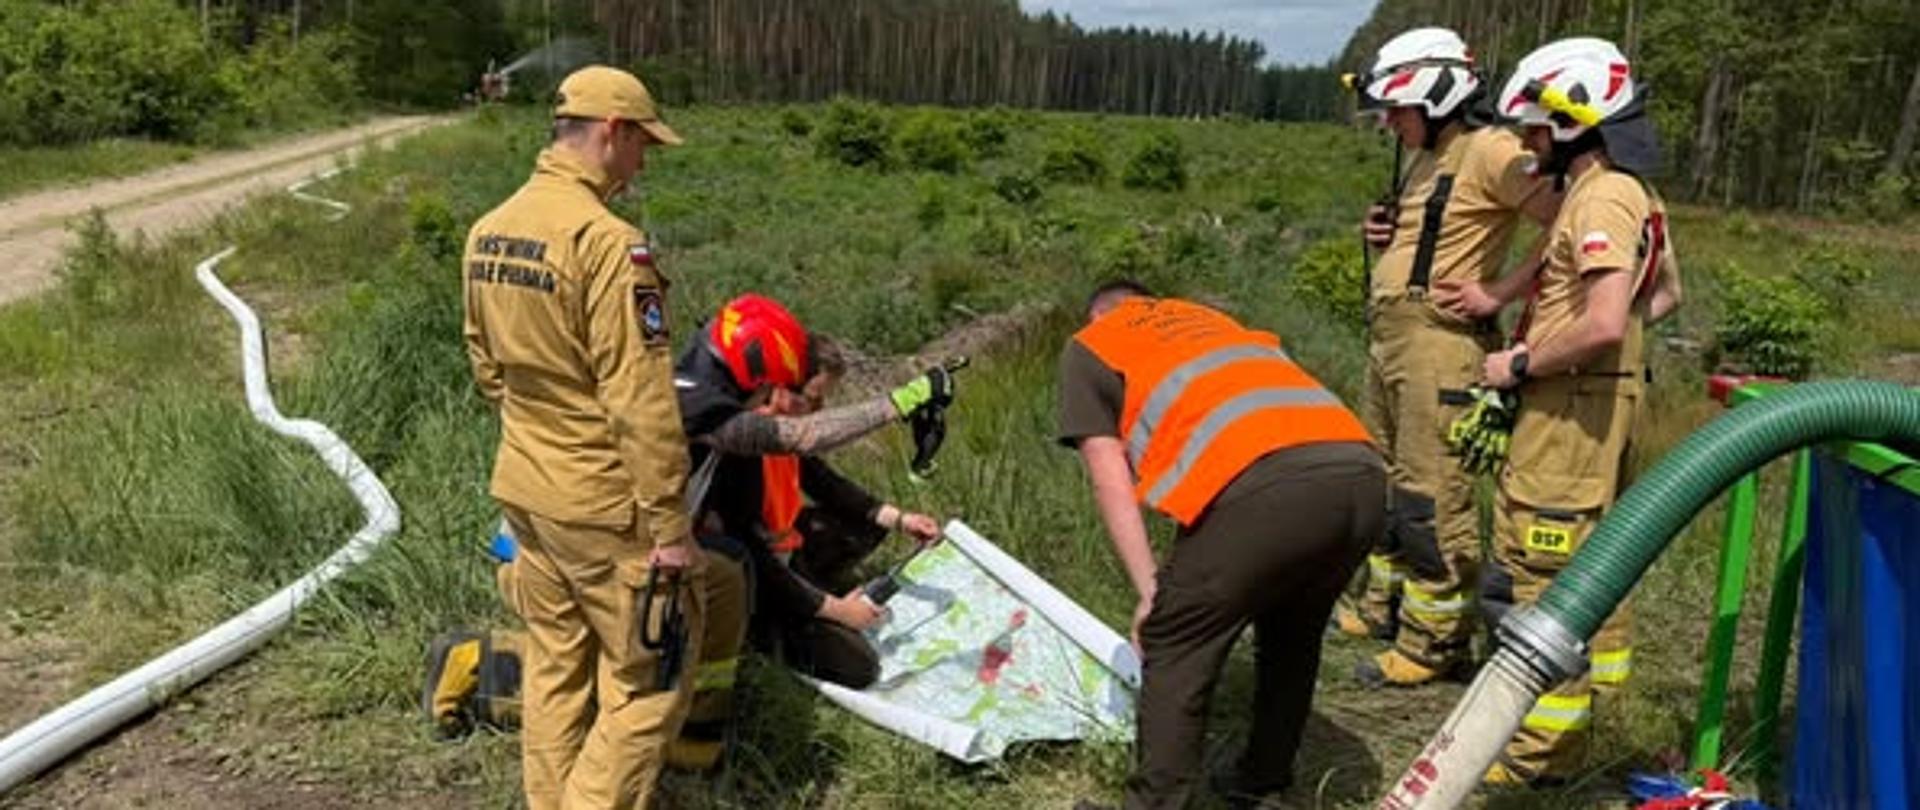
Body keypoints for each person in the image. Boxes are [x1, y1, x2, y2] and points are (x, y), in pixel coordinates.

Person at [460, 64, 701, 810]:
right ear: (611, 132)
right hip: (603, 505)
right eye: (642, 145)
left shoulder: (489, 230)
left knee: (556, 669)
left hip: (527, 492)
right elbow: (640, 400)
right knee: (650, 679)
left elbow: (486, 365)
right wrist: (669, 524)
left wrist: (541, 432)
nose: (643, 163)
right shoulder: (607, 244)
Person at [1060, 282, 1386, 810]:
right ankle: (1263, 778)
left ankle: (1158, 803)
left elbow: (1109, 477)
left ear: (1099, 314)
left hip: (1268, 487)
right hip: (1362, 474)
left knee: (1174, 641)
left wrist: (1152, 594)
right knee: (1292, 633)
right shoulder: (1217, 322)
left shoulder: (1094, 342)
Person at [1476, 38, 1682, 785]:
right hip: (1605, 403)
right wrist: (1615, 365)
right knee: (1600, 557)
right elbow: (1661, 298)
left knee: (1545, 571)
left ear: (1573, 122)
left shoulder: (1599, 198)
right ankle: (1597, 706)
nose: (1529, 143)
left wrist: (1522, 362)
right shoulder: (1638, 195)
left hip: (1567, 413)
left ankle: (1540, 758)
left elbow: (1599, 321)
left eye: (1535, 128)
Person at [1333, 28, 1561, 693]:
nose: (1390, 124)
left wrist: (1502, 290)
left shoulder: (1492, 150)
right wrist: (1384, 233)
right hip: (1393, 341)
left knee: (1431, 496)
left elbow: (1571, 216)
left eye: (1398, 110)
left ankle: (1434, 643)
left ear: (1437, 96)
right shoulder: (1427, 156)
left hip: (1442, 345)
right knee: (1383, 484)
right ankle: (1385, 608)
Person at [669, 293, 953, 762]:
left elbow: (820, 475)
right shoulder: (719, 422)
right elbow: (803, 441)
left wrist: (897, 519)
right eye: (811, 398)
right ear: (772, 383)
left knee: (847, 532)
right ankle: (721, 694)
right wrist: (834, 610)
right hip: (739, 572)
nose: (814, 411)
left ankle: (700, 724)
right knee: (857, 665)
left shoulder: (705, 400)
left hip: (758, 562)